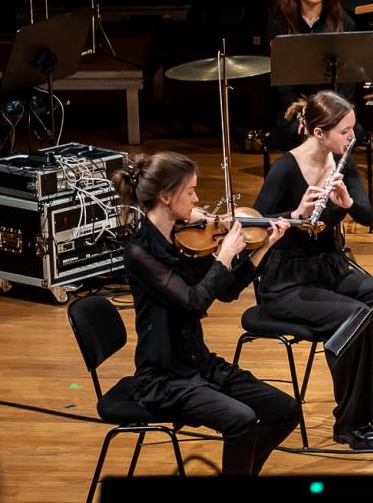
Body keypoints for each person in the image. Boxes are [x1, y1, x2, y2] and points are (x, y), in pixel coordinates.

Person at [253, 91, 373, 451]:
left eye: (353, 129)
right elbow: (253, 227)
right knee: (356, 318)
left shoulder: (342, 163)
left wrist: (347, 203)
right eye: (345, 131)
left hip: (330, 266)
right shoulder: (286, 168)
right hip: (287, 280)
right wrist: (295, 215)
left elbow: (367, 215)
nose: (353, 137)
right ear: (319, 132)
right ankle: (350, 423)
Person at [115, 152, 299, 475]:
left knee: (285, 410)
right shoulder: (140, 252)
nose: (197, 200)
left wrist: (263, 247)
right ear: (166, 196)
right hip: (165, 378)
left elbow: (226, 291)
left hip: (200, 365)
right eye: (190, 191)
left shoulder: (185, 238)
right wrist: (223, 256)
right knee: (241, 420)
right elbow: (193, 301)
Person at [266, 0, 367, 153]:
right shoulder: (279, 25)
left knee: (352, 132)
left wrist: (333, 114)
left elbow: (348, 82)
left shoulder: (344, 23)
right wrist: (304, 114)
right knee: (299, 132)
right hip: (295, 111)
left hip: (335, 110)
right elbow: (282, 84)